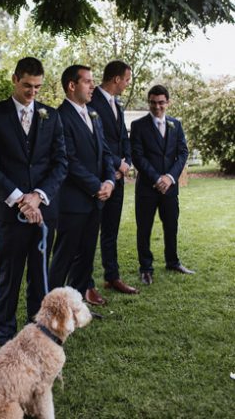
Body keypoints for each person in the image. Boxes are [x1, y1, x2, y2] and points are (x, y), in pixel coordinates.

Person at [0, 57, 67, 346]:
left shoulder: (51, 116)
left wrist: (38, 197)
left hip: (42, 212)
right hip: (9, 211)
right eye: (27, 85)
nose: (32, 92)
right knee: (9, 277)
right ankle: (6, 335)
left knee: (40, 278)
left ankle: (37, 332)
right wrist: (19, 199)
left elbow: (60, 163)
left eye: (38, 87)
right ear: (15, 79)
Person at [49, 65, 116, 306]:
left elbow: (106, 153)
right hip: (73, 202)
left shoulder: (94, 114)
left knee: (86, 258)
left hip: (95, 201)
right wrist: (96, 185)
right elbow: (68, 160)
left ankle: (75, 307)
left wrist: (109, 181)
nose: (93, 86)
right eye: (88, 82)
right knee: (63, 258)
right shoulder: (59, 117)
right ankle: (53, 308)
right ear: (72, 85)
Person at [130, 85, 192, 284]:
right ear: (149, 102)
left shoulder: (176, 124)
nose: (157, 107)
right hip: (147, 188)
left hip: (170, 188)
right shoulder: (139, 126)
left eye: (161, 102)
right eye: (153, 102)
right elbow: (137, 156)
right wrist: (157, 178)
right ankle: (145, 268)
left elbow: (182, 152)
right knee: (144, 229)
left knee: (171, 226)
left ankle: (173, 261)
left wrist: (170, 178)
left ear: (168, 103)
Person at [86, 60, 138, 299]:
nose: (127, 84)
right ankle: (86, 283)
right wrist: (117, 164)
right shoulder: (91, 101)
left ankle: (112, 276)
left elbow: (122, 137)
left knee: (111, 230)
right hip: (99, 178)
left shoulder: (117, 104)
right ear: (117, 79)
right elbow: (98, 140)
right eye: (127, 79)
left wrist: (126, 161)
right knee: (88, 233)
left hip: (117, 178)